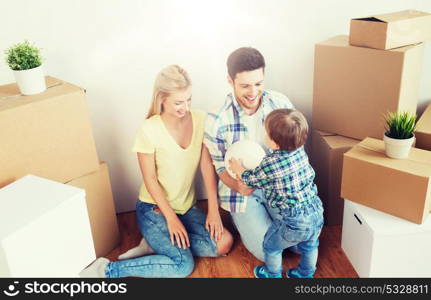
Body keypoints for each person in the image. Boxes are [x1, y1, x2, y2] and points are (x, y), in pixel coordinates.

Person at [80, 65, 233, 278]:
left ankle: (158, 244)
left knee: (223, 243)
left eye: (189, 99)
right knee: (182, 265)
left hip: (186, 208)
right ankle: (106, 270)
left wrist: (214, 211)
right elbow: (150, 179)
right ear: (162, 98)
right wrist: (171, 219)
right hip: (155, 208)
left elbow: (207, 167)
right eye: (178, 102)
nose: (186, 107)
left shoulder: (200, 119)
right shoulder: (149, 129)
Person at [204, 47, 293, 261]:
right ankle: (255, 224)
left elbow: (295, 153)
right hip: (243, 195)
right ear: (230, 81)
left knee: (299, 244)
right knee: (269, 253)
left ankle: (275, 224)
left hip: (277, 187)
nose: (253, 92)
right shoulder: (217, 119)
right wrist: (238, 185)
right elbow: (219, 166)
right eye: (244, 86)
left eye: (258, 84)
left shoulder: (281, 105)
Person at [229, 109, 324, 278]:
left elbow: (251, 179)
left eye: (267, 133)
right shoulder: (300, 152)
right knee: (310, 245)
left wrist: (239, 169)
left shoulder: (271, 164)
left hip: (293, 220)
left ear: (274, 143)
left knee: (271, 246)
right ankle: (305, 273)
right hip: (316, 211)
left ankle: (272, 274)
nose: (265, 136)